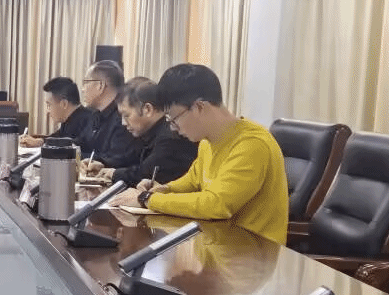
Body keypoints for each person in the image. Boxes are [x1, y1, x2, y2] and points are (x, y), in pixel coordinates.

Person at [111, 63, 289, 244]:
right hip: (216, 243)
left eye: (173, 119)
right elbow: (193, 181)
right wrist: (164, 189)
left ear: (199, 107)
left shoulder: (252, 144)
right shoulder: (207, 142)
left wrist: (146, 199)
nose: (173, 128)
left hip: (251, 252)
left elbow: (216, 204)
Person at [96, 78, 197, 188]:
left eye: (126, 115)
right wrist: (103, 163)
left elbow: (145, 173)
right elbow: (128, 157)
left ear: (147, 109)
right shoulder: (147, 132)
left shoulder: (170, 138)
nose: (123, 123)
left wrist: (114, 174)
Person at [76, 60, 140, 172]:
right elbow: (81, 143)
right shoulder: (95, 113)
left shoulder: (123, 117)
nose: (82, 89)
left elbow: (113, 160)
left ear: (100, 85)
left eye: (86, 82)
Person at [20, 77, 95, 148]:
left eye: (49, 105)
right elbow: (58, 137)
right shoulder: (72, 117)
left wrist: (42, 142)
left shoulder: (91, 120)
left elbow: (75, 144)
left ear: (64, 104)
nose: (47, 111)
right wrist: (40, 141)